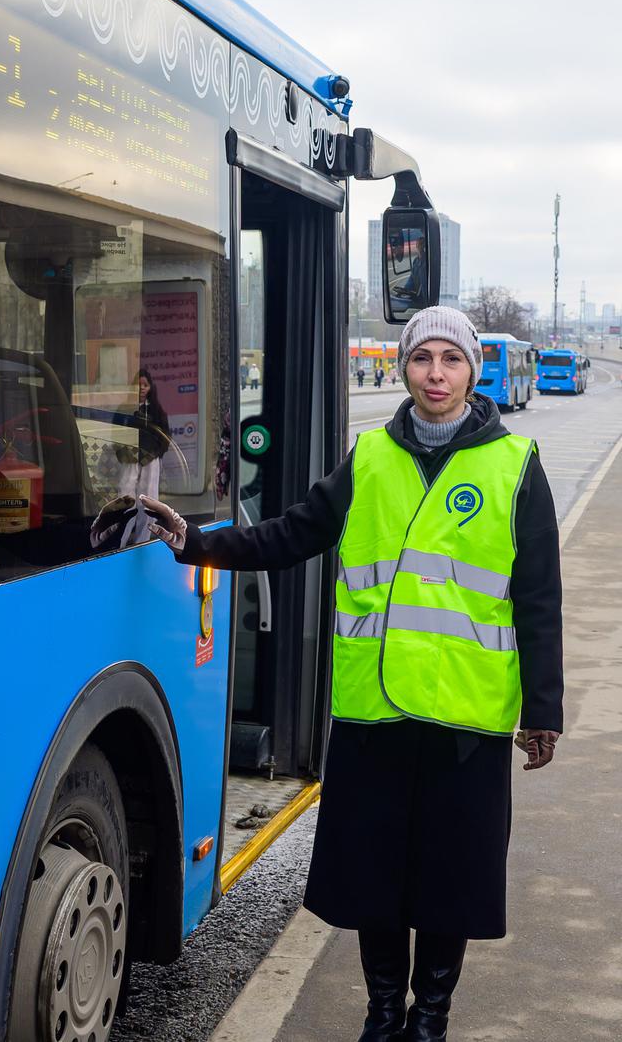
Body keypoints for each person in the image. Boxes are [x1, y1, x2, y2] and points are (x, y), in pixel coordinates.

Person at [139, 306, 563, 1041]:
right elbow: (293, 532)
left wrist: (544, 709)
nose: (437, 373)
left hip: (467, 715)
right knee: (376, 876)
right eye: (423, 357)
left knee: (447, 881)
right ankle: (383, 1012)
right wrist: (200, 543)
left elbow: (538, 599)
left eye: (451, 359)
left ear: (472, 371)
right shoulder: (368, 458)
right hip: (374, 714)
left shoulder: (515, 465)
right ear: (403, 366)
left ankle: (429, 1018)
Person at [113, 368, 170, 546]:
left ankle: (142, 541)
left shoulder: (157, 411)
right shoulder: (124, 408)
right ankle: (119, 541)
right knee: (125, 497)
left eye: (145, 385)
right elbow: (116, 434)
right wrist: (122, 453)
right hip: (129, 459)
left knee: (148, 500)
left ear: (151, 387)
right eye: (139, 385)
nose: (142, 389)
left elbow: (165, 437)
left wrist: (154, 454)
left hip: (150, 460)